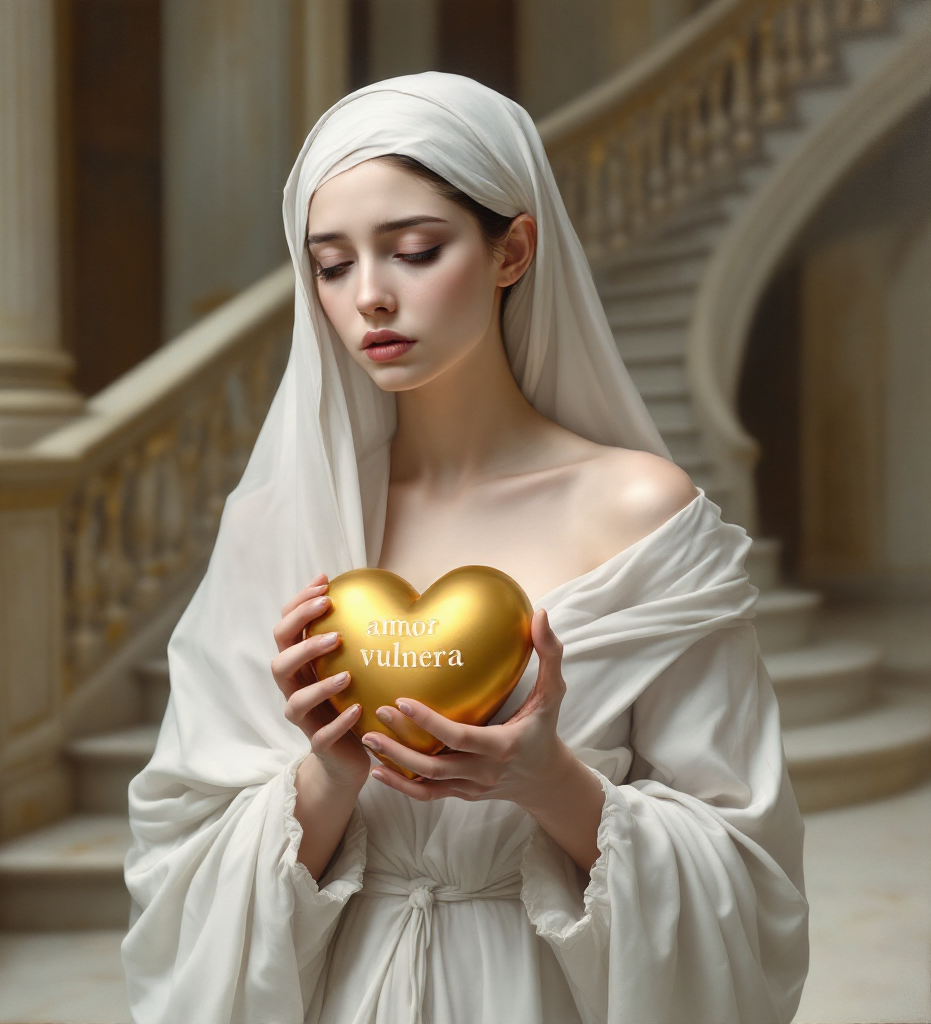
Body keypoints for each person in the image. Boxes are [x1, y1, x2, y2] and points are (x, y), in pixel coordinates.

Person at [122, 73, 808, 1024]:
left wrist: (547, 781)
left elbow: (747, 869)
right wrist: (327, 772)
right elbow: (178, 857)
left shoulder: (640, 513)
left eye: (414, 250)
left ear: (511, 250)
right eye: (329, 265)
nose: (369, 297)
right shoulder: (280, 525)